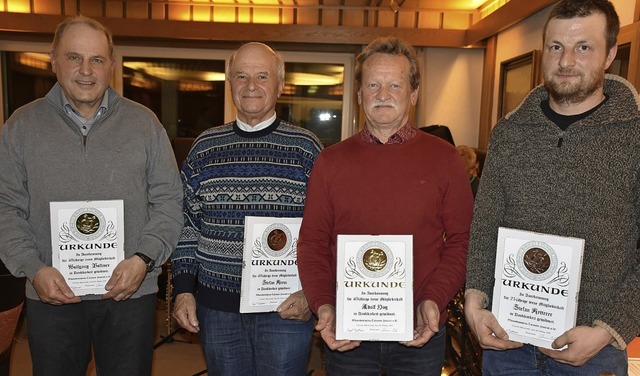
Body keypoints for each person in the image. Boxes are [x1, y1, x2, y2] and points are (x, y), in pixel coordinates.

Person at [0, 15, 184, 376]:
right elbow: (5, 209)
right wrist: (33, 269)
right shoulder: (20, 127)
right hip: (51, 294)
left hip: (130, 290)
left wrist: (144, 260)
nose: (86, 70)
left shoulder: (145, 124)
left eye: (97, 59)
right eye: (74, 57)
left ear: (111, 66)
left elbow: (169, 202)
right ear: (53, 61)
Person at [464, 0, 640, 374]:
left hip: (594, 352)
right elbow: (484, 228)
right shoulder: (509, 134)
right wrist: (474, 302)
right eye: (556, 47)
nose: (566, 61)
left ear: (610, 54)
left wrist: (610, 329)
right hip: (506, 344)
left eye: (584, 48)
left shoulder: (635, 138)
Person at [297, 37, 474, 375]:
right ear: (359, 92)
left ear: (413, 94)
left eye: (395, 84)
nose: (382, 94)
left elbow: (463, 241)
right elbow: (312, 242)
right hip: (348, 334)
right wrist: (323, 305)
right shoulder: (330, 162)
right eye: (373, 84)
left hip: (418, 329)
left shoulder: (445, 159)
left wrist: (432, 300)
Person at [170, 42, 323, 375]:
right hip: (217, 309)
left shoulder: (306, 149)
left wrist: (311, 293)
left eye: (262, 76)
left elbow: (325, 232)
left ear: (280, 85)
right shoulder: (205, 147)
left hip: (286, 308)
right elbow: (186, 225)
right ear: (230, 83)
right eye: (241, 75)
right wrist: (183, 290)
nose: (251, 85)